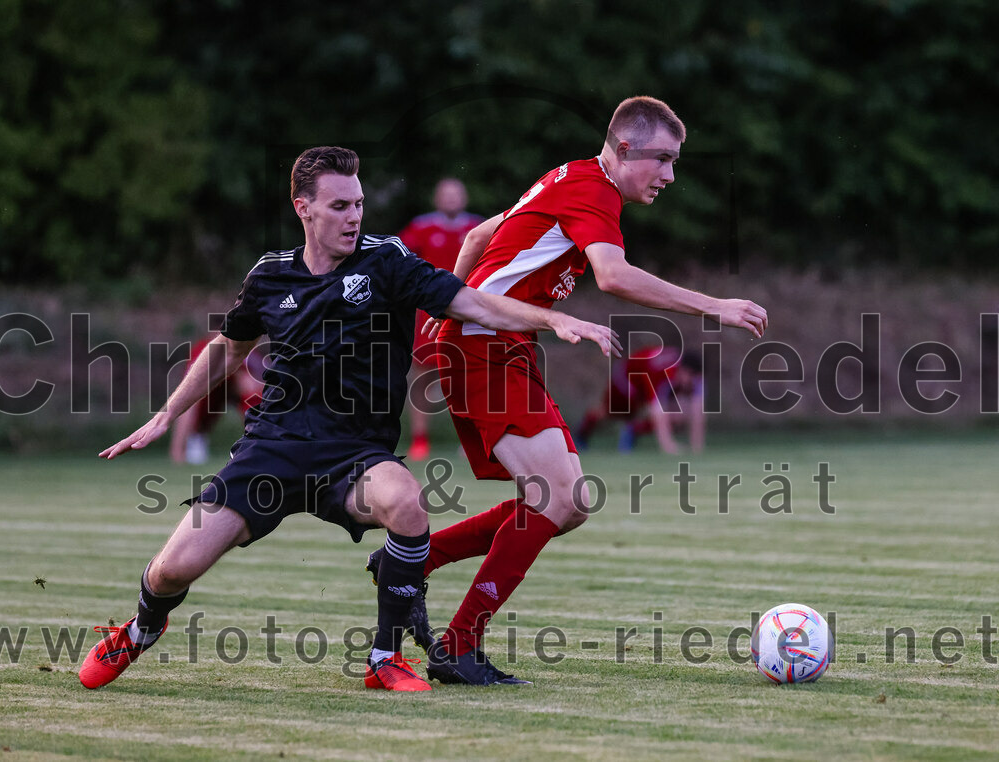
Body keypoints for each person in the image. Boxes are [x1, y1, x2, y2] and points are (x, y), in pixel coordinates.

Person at [78, 146, 618, 693]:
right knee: (172, 570)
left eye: (359, 204)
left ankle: (384, 658)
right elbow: (227, 350)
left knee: (406, 501)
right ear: (303, 208)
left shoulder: (387, 260)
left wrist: (551, 319)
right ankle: (141, 628)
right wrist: (168, 413)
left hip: (354, 455)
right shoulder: (270, 275)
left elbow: (474, 304)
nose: (354, 216)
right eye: (339, 205)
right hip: (272, 450)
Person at [370, 96, 767, 685]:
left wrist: (447, 299)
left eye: (676, 162)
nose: (670, 176)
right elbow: (612, 276)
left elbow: (480, 235)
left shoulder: (573, 177)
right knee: (555, 498)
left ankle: (412, 560)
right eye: (663, 159)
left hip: (498, 344)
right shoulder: (593, 189)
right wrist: (713, 306)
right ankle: (457, 644)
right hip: (482, 347)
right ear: (625, 149)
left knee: (568, 503)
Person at [398, 179, 484, 460]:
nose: (451, 200)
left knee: (472, 378)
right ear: (437, 198)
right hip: (430, 315)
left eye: (455, 194)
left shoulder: (478, 228)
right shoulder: (421, 227)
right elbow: (400, 263)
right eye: (445, 195)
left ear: (465, 197)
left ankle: (475, 440)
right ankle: (420, 440)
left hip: (469, 312)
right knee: (423, 378)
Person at [577, 345, 705, 454]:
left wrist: (697, 448)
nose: (691, 384)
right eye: (691, 378)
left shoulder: (688, 374)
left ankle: (632, 430)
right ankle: (581, 435)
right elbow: (657, 411)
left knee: (678, 416)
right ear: (683, 371)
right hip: (626, 381)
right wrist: (668, 447)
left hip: (644, 383)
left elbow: (697, 409)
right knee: (610, 413)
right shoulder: (661, 371)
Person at [168, 336, 265, 464]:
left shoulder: (249, 351)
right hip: (210, 390)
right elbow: (189, 389)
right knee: (192, 394)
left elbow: (261, 383)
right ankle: (183, 447)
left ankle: (262, 443)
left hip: (237, 384)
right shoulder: (206, 349)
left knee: (252, 391)